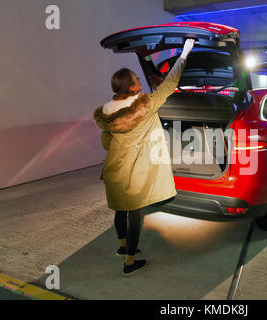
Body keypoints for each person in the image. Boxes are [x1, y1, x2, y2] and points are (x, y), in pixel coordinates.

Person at [93, 39, 195, 276]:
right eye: (137, 79)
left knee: (120, 210)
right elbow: (169, 84)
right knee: (136, 216)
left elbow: (106, 143)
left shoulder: (106, 112)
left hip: (113, 170)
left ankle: (122, 247)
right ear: (130, 86)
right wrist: (184, 54)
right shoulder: (145, 105)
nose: (140, 81)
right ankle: (130, 261)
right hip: (136, 171)